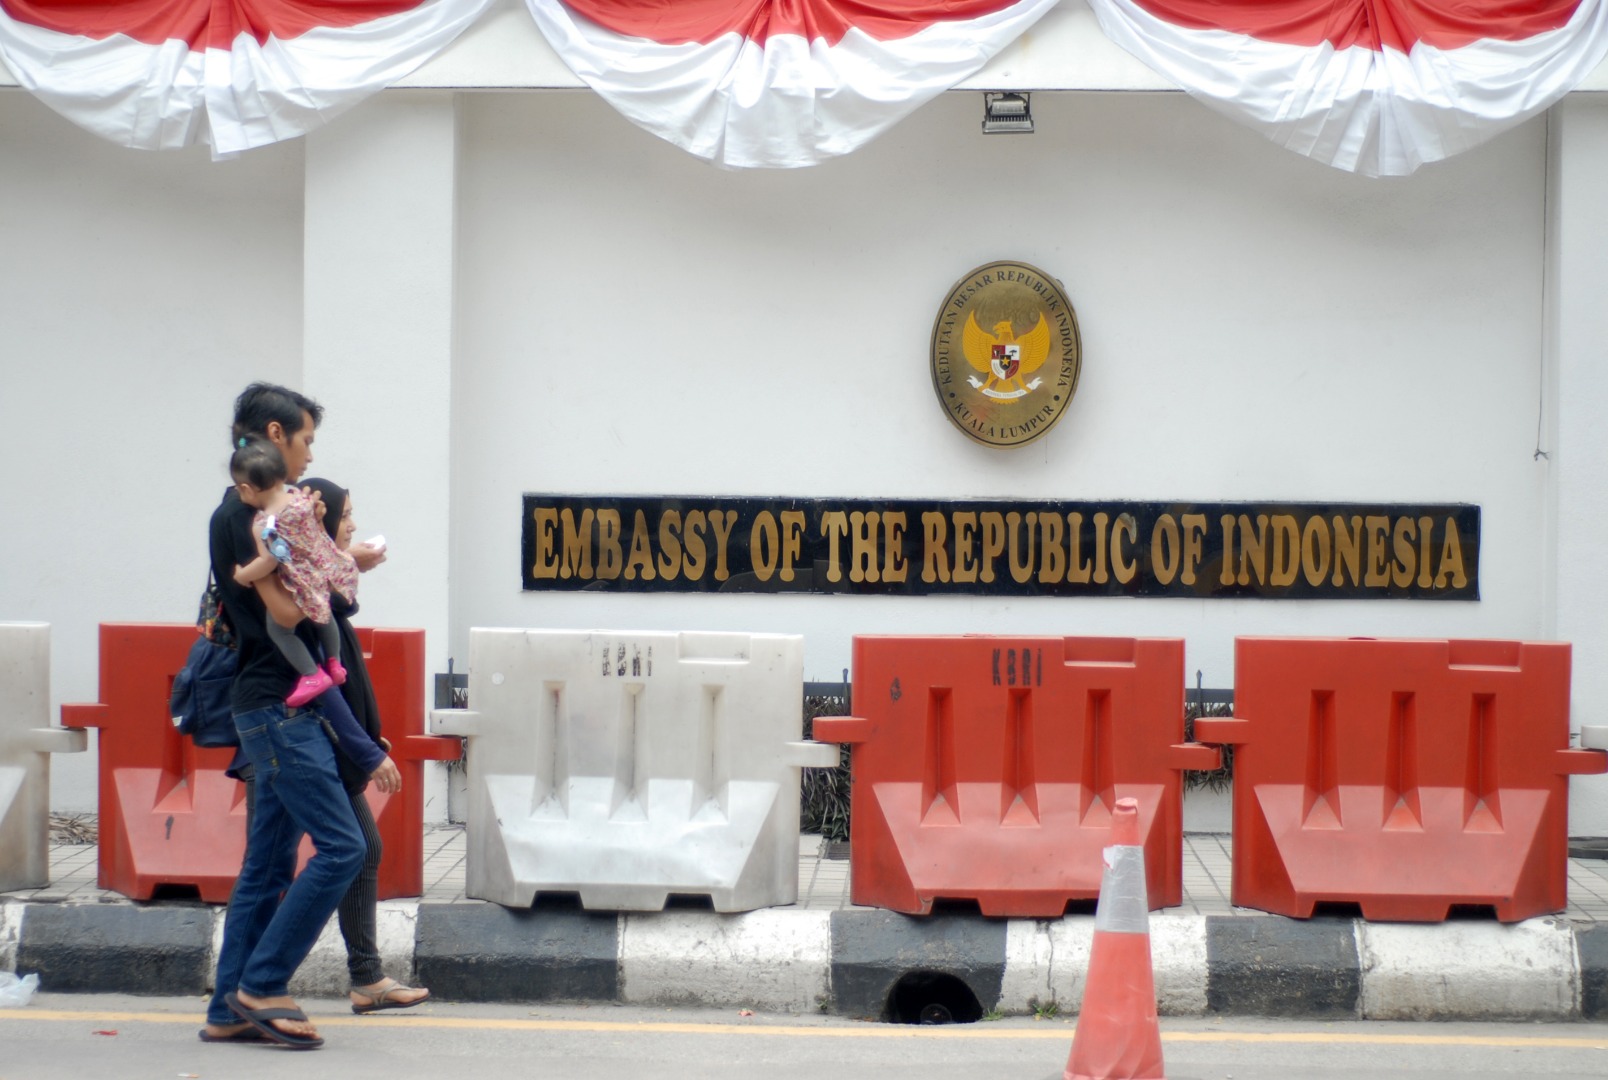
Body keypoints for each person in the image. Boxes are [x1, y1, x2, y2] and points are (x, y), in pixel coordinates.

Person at [201, 383, 399, 1049]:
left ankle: (229, 1007)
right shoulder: (252, 519)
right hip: (279, 710)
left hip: (275, 709)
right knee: (342, 847)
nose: (311, 454)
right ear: (278, 435)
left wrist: (340, 564)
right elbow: (287, 614)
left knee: (267, 865)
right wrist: (336, 574)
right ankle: (264, 982)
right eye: (307, 439)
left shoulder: (249, 511)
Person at [299, 476, 432, 1014]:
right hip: (305, 751)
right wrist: (364, 749)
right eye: (345, 515)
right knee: (297, 861)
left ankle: (366, 978)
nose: (353, 524)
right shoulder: (300, 593)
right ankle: (258, 976)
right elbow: (316, 688)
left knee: (361, 848)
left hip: (338, 748)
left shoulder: (318, 590)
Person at [229, 439, 357, 707]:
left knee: (280, 630)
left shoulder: (264, 523)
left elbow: (269, 560)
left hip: (298, 584)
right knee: (325, 617)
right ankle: (334, 661)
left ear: (246, 489)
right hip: (321, 572)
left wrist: (243, 575)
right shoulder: (303, 500)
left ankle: (311, 674)